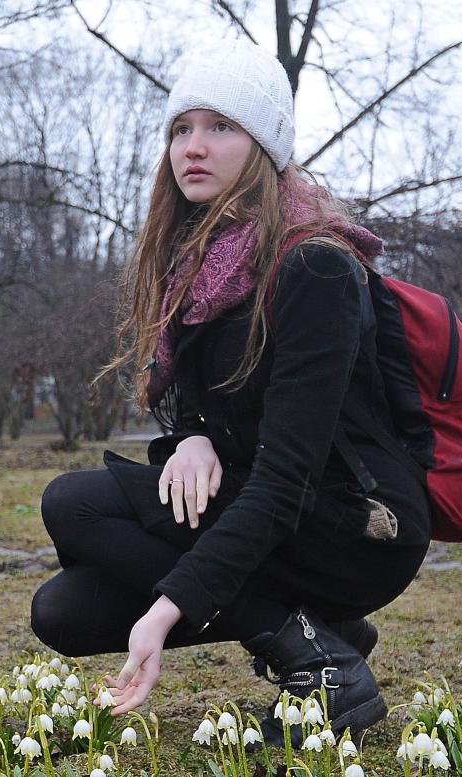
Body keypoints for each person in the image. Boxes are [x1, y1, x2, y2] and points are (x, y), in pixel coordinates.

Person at [30, 39, 431, 746]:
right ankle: (321, 633)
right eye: (182, 128)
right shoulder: (199, 268)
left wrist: (163, 613)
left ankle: (313, 656)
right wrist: (191, 435)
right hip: (279, 508)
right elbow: (207, 399)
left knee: (73, 501)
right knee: (62, 612)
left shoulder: (315, 268)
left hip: (355, 525)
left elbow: (285, 476)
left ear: (264, 144)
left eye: (221, 127)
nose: (194, 146)